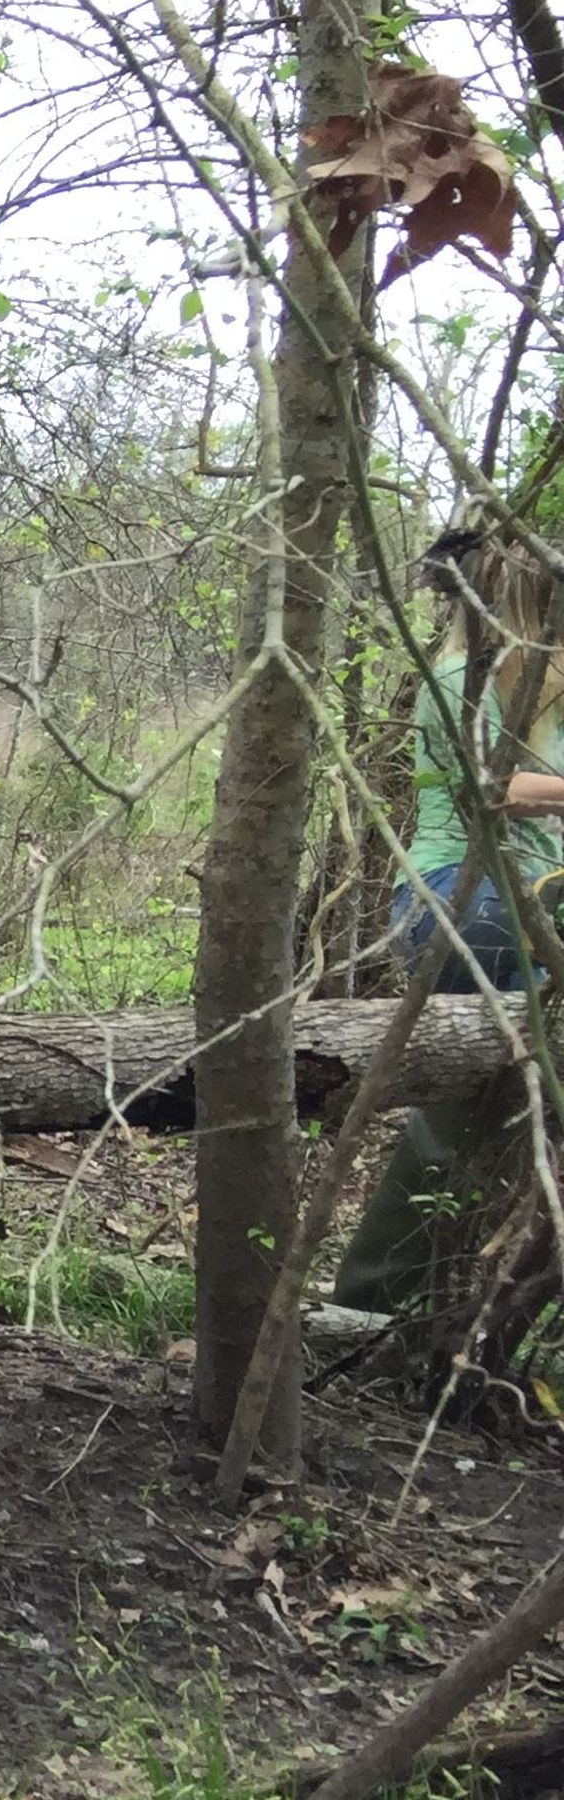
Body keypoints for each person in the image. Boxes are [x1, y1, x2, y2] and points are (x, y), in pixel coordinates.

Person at [332, 525, 564, 1314]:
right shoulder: (466, 677)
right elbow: (494, 788)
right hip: (469, 900)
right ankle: (373, 1299)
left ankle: (414, 1296)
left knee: (493, 1100)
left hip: (521, 894)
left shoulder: (537, 680)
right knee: (466, 1099)